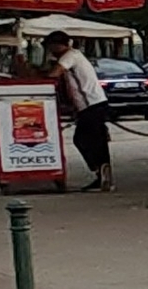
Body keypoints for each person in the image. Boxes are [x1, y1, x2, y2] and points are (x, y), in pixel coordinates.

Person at [42, 30, 113, 189]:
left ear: (58, 45)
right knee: (97, 141)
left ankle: (99, 171)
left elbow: (54, 74)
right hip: (92, 104)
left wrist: (43, 72)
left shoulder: (70, 56)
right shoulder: (74, 55)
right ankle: (102, 176)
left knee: (82, 139)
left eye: (51, 47)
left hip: (91, 105)